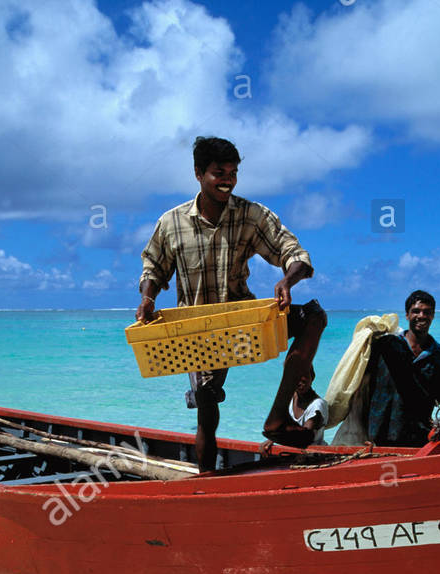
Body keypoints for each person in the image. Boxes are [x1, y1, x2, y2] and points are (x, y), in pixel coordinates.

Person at [137, 136, 320, 470]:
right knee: (207, 408)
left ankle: (277, 418)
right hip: (197, 331)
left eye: (233, 172)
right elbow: (154, 267)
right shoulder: (171, 223)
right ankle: (206, 481)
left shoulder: (251, 215)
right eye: (218, 172)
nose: (228, 180)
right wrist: (148, 298)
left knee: (313, 317)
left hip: (241, 320)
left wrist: (287, 279)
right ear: (198, 173)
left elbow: (295, 253)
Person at [362, 290, 440, 446]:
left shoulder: (439, 355)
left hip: (418, 435)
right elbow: (362, 382)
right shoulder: (386, 346)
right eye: (416, 311)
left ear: (433, 316)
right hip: (380, 434)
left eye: (427, 312)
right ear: (407, 315)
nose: (421, 316)